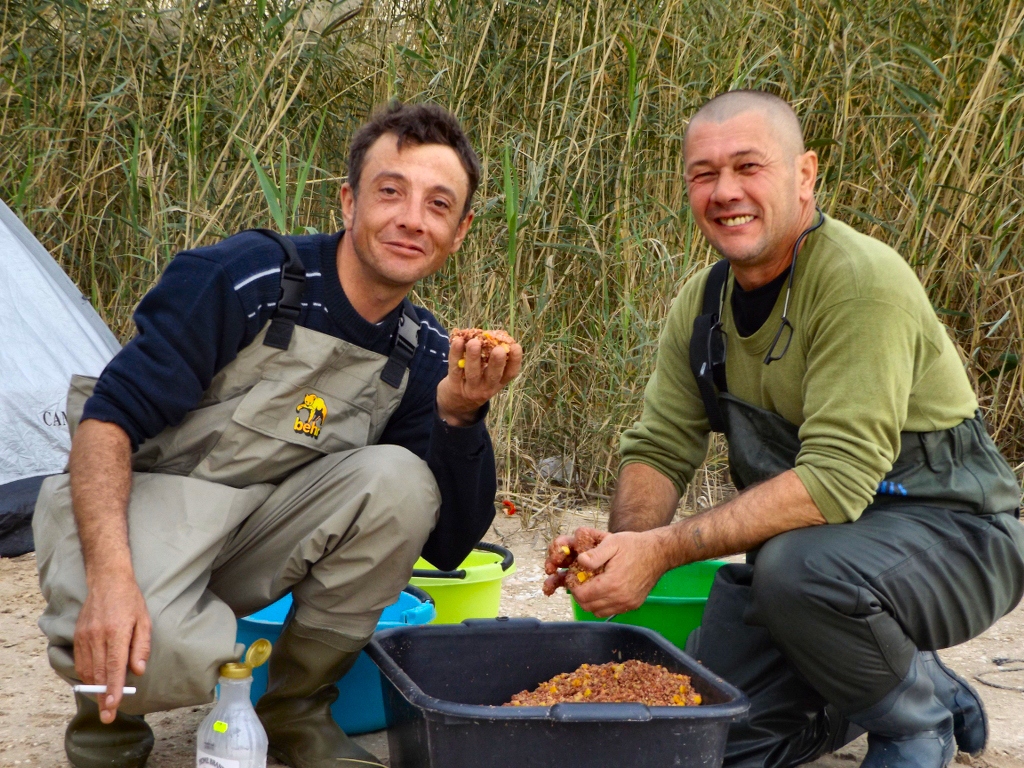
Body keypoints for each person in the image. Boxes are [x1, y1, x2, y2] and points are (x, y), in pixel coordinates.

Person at [33, 101, 523, 768]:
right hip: (142, 513)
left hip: (256, 536)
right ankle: (107, 731)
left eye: (439, 205)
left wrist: (462, 416)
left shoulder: (425, 349)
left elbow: (446, 544)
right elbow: (107, 421)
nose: (412, 219)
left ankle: (296, 711)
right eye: (391, 192)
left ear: (459, 231)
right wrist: (113, 580)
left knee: (402, 481)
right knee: (156, 650)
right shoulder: (250, 275)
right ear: (348, 202)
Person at [545, 91, 1024, 768]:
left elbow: (832, 482)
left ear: (805, 175)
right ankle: (911, 677)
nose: (725, 191)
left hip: (961, 540)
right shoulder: (703, 303)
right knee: (713, 740)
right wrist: (623, 545)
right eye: (704, 174)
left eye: (748, 166)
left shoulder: (859, 281)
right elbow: (658, 446)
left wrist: (664, 550)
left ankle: (915, 723)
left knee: (793, 570)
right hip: (828, 562)